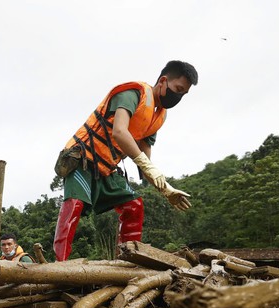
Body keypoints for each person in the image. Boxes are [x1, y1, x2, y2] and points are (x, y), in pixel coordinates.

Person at [52, 60, 199, 261]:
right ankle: (59, 265)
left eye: (184, 93)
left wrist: (165, 188)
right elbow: (120, 131)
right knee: (74, 204)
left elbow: (145, 156)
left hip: (108, 167)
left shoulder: (159, 117)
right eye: (178, 89)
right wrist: (149, 168)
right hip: (83, 158)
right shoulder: (133, 94)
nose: (179, 96)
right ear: (163, 81)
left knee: (134, 205)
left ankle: (127, 261)